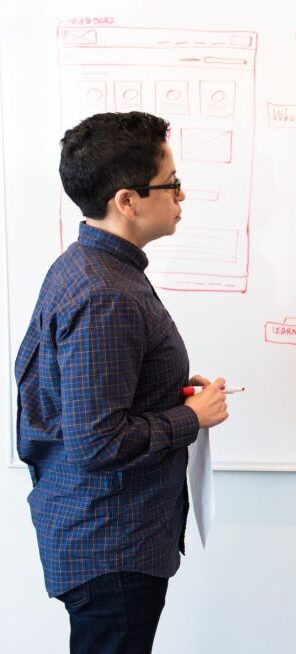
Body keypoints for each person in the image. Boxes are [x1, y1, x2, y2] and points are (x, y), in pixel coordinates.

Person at [15, 111, 230, 654]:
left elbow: (91, 405)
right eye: (172, 184)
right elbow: (98, 440)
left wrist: (169, 395)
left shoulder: (94, 268)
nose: (182, 196)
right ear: (127, 201)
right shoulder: (105, 294)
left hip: (104, 536)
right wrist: (192, 418)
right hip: (111, 545)